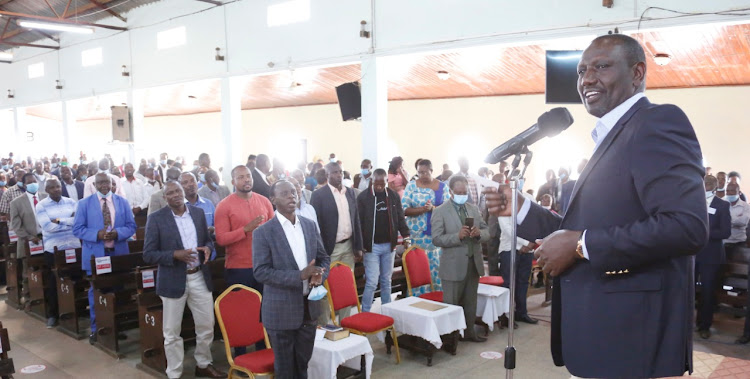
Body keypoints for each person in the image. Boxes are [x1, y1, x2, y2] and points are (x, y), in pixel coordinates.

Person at [485, 34, 708, 378]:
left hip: (630, 339)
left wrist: (579, 245)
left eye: (601, 67)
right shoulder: (612, 136)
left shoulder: (655, 122)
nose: (587, 79)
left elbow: (686, 227)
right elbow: (582, 225)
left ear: (636, 73)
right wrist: (520, 209)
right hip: (599, 333)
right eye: (581, 70)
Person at [143, 181, 225, 379]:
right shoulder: (156, 219)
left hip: (199, 275)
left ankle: (203, 364)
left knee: (206, 324)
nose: (175, 195)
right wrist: (174, 255)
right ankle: (174, 373)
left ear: (183, 192)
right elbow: (148, 254)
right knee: (172, 332)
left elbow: (207, 240)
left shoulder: (196, 214)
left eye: (177, 191)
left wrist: (208, 248)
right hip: (173, 279)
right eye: (170, 193)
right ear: (165, 198)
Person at [252, 179, 330, 379]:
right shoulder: (264, 232)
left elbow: (323, 258)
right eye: (285, 193)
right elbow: (261, 272)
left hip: (308, 307)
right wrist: (300, 275)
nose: (291, 196)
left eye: (294, 192)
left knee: (302, 365)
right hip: (281, 311)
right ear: (273, 199)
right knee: (286, 370)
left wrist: (320, 274)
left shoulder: (309, 225)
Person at [214, 166, 274, 355]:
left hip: (264, 266)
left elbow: (274, 232)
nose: (246, 180)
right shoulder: (224, 205)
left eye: (248, 176)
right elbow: (221, 239)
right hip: (239, 268)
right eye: (240, 177)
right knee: (241, 314)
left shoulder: (264, 201)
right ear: (233, 182)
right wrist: (245, 230)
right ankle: (240, 357)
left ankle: (263, 352)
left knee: (263, 312)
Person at [73, 172, 137, 344]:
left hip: (118, 255)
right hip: (96, 256)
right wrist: (97, 234)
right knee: (97, 292)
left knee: (118, 292)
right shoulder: (84, 204)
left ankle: (116, 327)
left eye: (107, 182)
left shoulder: (122, 202)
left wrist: (118, 233)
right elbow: (77, 229)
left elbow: (132, 226)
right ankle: (97, 328)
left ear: (112, 183)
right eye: (100, 182)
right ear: (94, 184)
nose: (104, 185)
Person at [431, 175, 490, 342]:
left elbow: (487, 231)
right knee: (452, 304)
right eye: (458, 192)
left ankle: (470, 331)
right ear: (450, 191)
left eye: (465, 192)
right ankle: (451, 338)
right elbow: (436, 239)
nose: (462, 195)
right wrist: (457, 236)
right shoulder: (440, 211)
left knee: (471, 301)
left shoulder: (473, 208)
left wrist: (479, 234)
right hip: (453, 265)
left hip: (473, 263)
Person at [310, 162, 363, 323]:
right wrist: (319, 252)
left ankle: (346, 322)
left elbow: (356, 220)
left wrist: (358, 246)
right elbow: (315, 226)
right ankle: (325, 325)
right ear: (327, 175)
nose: (338, 175)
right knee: (326, 288)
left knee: (346, 286)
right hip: (329, 249)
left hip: (348, 246)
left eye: (340, 172)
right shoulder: (319, 195)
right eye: (334, 172)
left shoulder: (350, 193)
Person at [356, 169, 410, 312]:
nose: (379, 187)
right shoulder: (363, 198)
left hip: (389, 246)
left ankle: (387, 310)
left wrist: (406, 236)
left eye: (382, 184)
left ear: (387, 182)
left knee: (386, 281)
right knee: (372, 282)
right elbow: (359, 223)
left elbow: (399, 218)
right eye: (376, 184)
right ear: (371, 182)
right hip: (371, 247)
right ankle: (365, 312)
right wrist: (361, 245)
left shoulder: (392, 196)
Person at [35, 178, 80, 328]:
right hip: (54, 249)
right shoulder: (41, 205)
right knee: (54, 282)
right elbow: (47, 227)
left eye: (58, 186)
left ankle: (77, 310)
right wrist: (68, 222)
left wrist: (59, 220)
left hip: (73, 246)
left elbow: (78, 222)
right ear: (47, 190)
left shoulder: (71, 202)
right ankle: (53, 315)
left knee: (77, 279)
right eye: (52, 187)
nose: (56, 189)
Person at [401, 159, 450, 295]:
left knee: (436, 268)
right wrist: (422, 209)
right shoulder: (411, 186)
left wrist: (432, 208)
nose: (422, 175)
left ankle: (438, 296)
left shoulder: (442, 187)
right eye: (419, 173)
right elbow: (404, 209)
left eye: (425, 172)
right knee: (419, 269)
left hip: (437, 236)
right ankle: (419, 298)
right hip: (418, 237)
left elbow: (448, 210)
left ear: (432, 171)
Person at [695, 175, 731, 339]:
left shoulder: (722, 205)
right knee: (687, 291)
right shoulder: (693, 202)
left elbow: (725, 232)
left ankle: (704, 326)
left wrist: (705, 233)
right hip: (692, 254)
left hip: (711, 256)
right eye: (705, 182)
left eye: (710, 182)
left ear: (716, 186)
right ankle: (687, 324)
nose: (707, 184)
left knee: (708, 292)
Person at [9, 173, 47, 309]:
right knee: (27, 272)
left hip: (46, 240)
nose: (33, 184)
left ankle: (45, 298)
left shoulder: (45, 197)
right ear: (24, 185)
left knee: (46, 270)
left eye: (34, 181)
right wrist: (31, 238)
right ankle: (29, 299)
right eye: (29, 182)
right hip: (28, 242)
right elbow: (16, 227)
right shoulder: (16, 203)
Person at [724, 182, 750, 250]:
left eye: (732, 191)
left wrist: (726, 221)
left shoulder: (746, 206)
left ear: (739, 192)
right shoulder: (722, 204)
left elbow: (743, 222)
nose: (729, 193)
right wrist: (735, 221)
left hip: (739, 242)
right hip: (723, 242)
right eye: (727, 191)